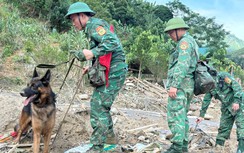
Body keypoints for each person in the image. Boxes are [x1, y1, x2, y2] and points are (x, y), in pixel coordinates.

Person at [65, 2, 127, 153]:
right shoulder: (92, 27)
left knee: (98, 107)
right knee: (101, 106)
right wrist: (92, 65)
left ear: (82, 16)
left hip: (114, 71)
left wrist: (91, 53)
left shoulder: (94, 25)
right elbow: (104, 49)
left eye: (74, 19)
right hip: (111, 70)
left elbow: (112, 42)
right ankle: (109, 139)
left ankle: (97, 147)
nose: (73, 23)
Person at [164, 17, 199, 153]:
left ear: (179, 30)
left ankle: (177, 147)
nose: (170, 36)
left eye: (171, 33)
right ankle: (183, 147)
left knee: (175, 116)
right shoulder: (191, 41)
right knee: (182, 116)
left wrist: (174, 85)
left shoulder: (184, 43)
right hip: (187, 85)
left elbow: (182, 64)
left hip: (181, 86)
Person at [196, 71, 244, 153]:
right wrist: (201, 115)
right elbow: (206, 100)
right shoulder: (209, 85)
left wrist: (236, 101)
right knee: (223, 127)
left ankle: (241, 149)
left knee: (241, 125)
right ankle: (218, 148)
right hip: (226, 106)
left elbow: (237, 87)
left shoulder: (224, 77)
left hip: (239, 104)